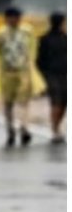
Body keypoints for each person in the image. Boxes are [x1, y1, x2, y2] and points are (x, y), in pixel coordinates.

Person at [0, 6, 46, 148]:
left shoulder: (27, 32)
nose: (14, 20)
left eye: (17, 17)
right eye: (11, 18)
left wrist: (31, 62)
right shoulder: (0, 34)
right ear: (6, 19)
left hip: (23, 72)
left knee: (23, 102)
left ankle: (23, 127)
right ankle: (10, 130)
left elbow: (33, 48)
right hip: (6, 73)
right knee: (7, 103)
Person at [37, 12, 66, 144]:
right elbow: (40, 59)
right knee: (56, 102)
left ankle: (57, 126)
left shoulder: (66, 38)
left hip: (65, 74)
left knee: (64, 103)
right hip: (51, 74)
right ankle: (55, 130)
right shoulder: (44, 39)